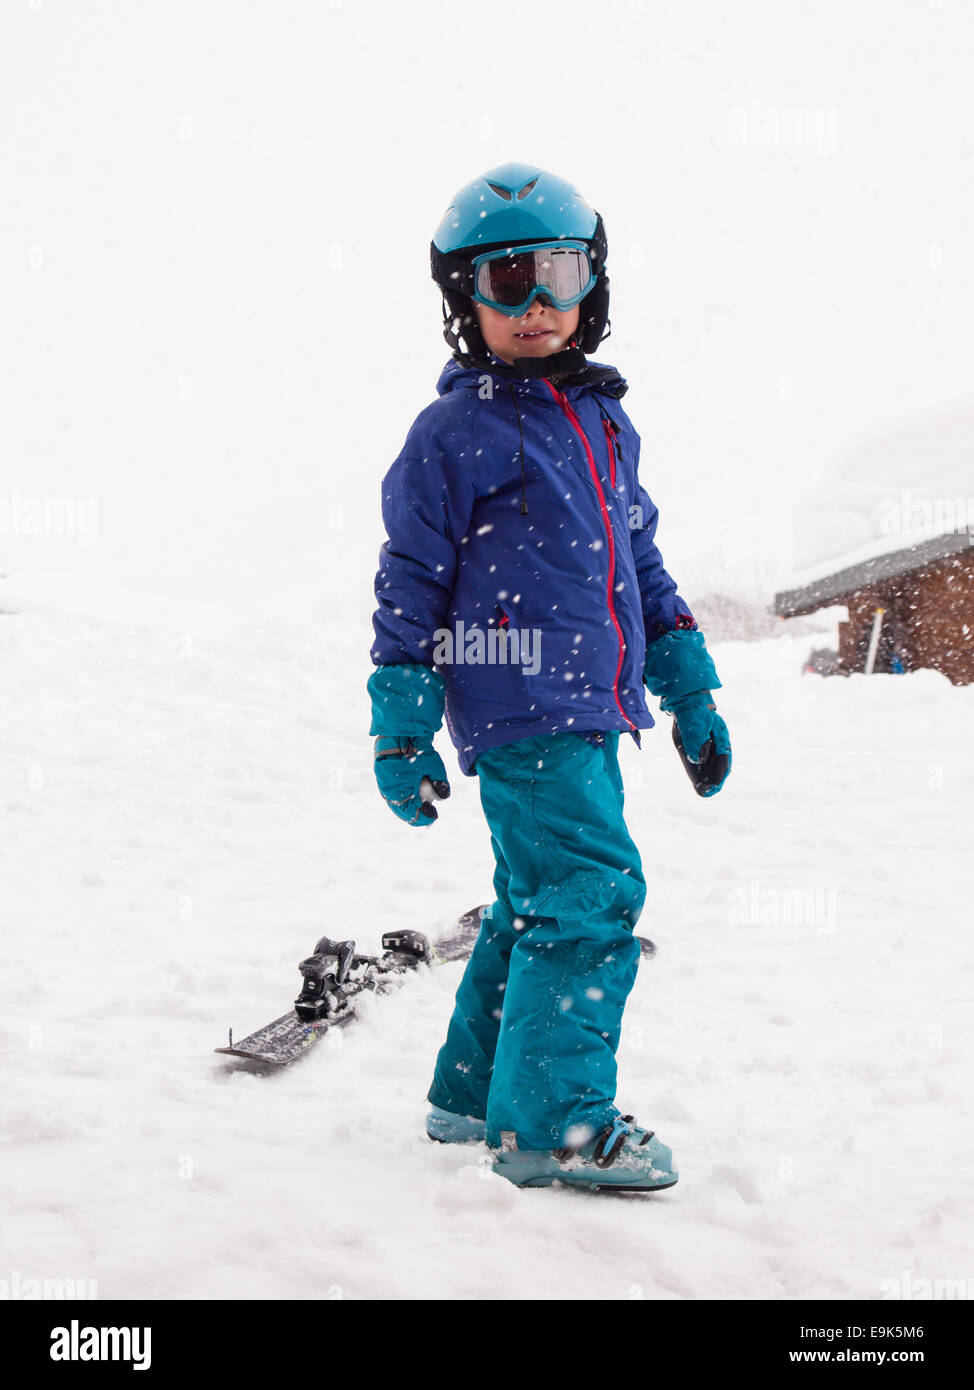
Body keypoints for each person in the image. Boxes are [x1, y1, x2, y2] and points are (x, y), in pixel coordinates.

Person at [367, 162, 731, 1191]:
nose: (534, 305)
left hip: (586, 703)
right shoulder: (454, 431)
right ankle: (552, 1128)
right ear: (462, 300)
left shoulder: (603, 425)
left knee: (535, 896)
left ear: (593, 287)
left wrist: (690, 687)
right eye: (504, 278)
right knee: (588, 893)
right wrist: (400, 728)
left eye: (557, 275)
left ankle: (472, 1093)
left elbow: (641, 567)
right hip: (518, 696)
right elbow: (409, 585)